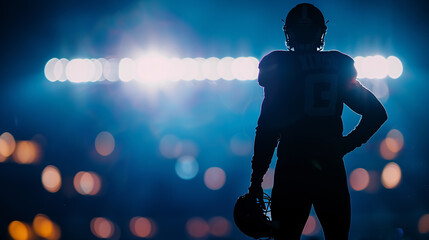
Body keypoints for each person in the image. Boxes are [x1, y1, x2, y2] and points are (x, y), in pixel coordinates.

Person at [247, 3, 388, 239]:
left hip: (292, 164)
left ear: (288, 32)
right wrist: (343, 145)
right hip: (329, 165)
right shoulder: (338, 65)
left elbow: (267, 129)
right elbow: (377, 113)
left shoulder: (279, 65)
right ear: (321, 33)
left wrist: (256, 181)